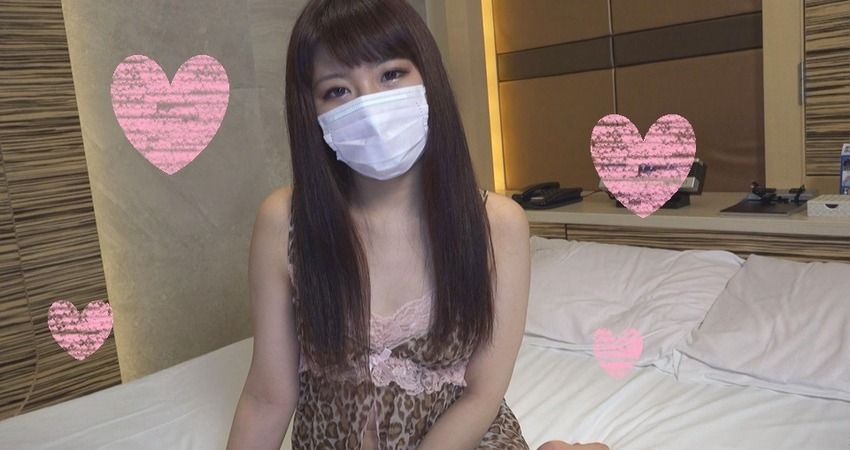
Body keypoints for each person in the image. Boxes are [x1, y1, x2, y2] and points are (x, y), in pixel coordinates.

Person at [226, 0, 611, 449]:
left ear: (428, 78)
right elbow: (268, 396)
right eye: (337, 90)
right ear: (310, 110)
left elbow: (483, 392)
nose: (370, 105)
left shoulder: (498, 225)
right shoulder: (284, 221)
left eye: (391, 74)